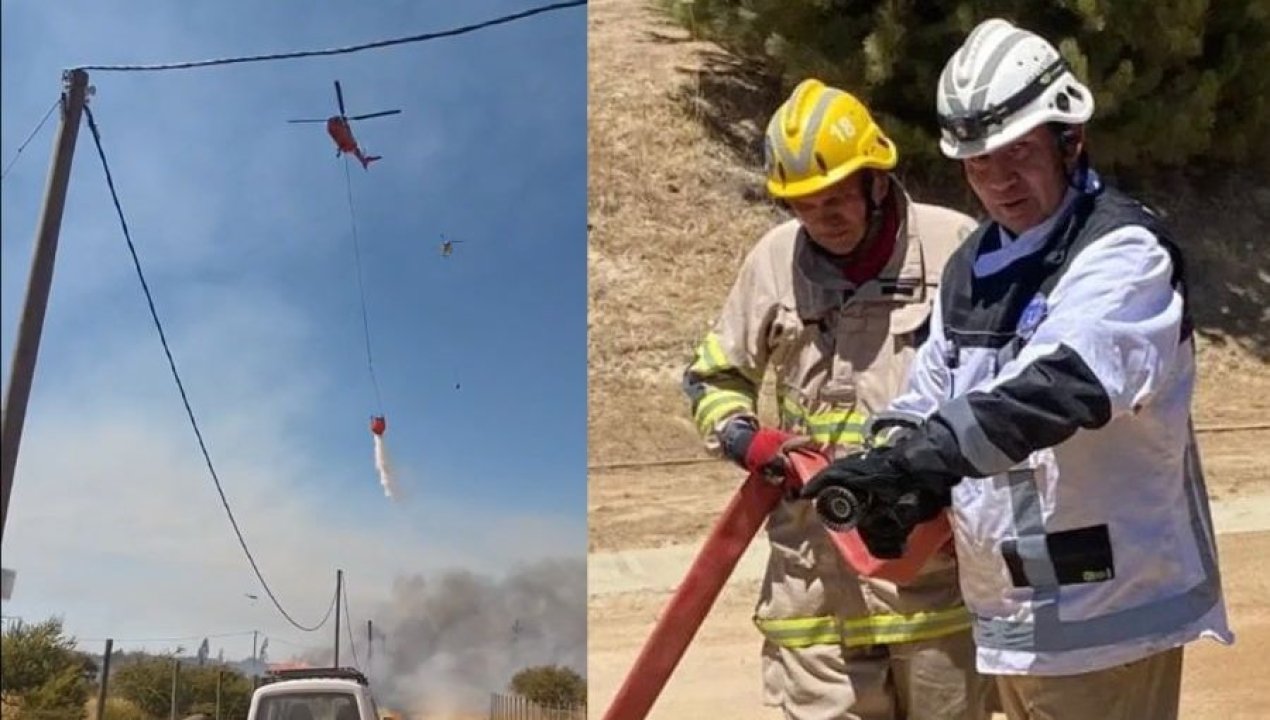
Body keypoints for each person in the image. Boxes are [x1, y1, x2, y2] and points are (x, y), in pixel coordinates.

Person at [800, 18, 1235, 720]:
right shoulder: (972, 267)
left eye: (1018, 152)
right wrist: (892, 466)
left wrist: (928, 461)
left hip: (1109, 620)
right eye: (977, 162)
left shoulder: (1124, 252)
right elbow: (930, 392)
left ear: (1071, 139)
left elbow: (1063, 384)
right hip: (1009, 619)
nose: (998, 180)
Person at [683, 78, 989, 720]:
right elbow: (712, 377)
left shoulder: (954, 247)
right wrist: (747, 440)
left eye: (837, 195)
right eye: (803, 204)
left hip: (931, 578)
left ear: (877, 180)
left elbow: (1000, 394)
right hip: (813, 585)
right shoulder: (772, 263)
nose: (825, 216)